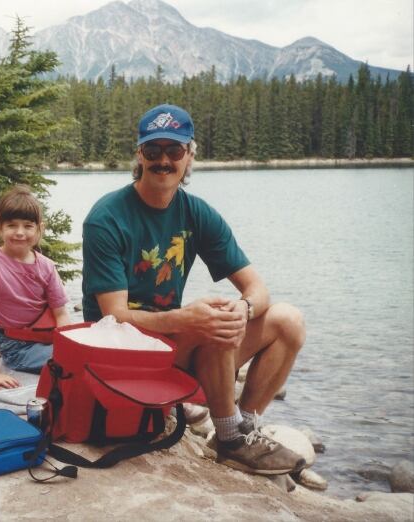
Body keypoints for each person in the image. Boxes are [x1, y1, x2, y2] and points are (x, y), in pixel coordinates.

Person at [81, 104, 307, 476]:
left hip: (172, 345)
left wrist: (244, 309)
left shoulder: (196, 213)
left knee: (288, 320)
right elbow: (113, 316)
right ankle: (231, 436)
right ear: (140, 155)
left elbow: (256, 288)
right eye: (153, 151)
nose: (163, 161)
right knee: (211, 322)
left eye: (174, 151)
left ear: (189, 155)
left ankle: (242, 430)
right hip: (122, 351)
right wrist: (188, 320)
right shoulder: (107, 217)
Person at [0, 186, 71, 389]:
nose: (20, 233)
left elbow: (61, 314)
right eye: (12, 225)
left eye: (28, 226)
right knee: (72, 363)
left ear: (39, 228)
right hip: (15, 345)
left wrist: (68, 347)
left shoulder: (46, 266)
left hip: (46, 337)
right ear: (0, 228)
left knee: (82, 353)